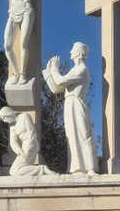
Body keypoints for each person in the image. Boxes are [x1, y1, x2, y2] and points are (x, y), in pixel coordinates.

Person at [42, 42, 98, 175]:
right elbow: (56, 88)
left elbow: (60, 81)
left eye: (72, 50)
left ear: (79, 53)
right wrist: (48, 73)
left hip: (76, 103)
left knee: (83, 134)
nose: (70, 53)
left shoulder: (82, 69)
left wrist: (55, 68)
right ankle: (77, 167)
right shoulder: (74, 70)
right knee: (71, 136)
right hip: (70, 104)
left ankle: (89, 168)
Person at [0, 106, 56, 176]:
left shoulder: (24, 117)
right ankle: (41, 169)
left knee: (14, 171)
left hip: (30, 144)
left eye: (4, 118)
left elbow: (31, 132)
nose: (5, 121)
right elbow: (13, 142)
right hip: (23, 148)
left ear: (8, 114)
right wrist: (20, 151)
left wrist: (28, 148)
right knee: (15, 171)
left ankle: (42, 169)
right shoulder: (12, 127)